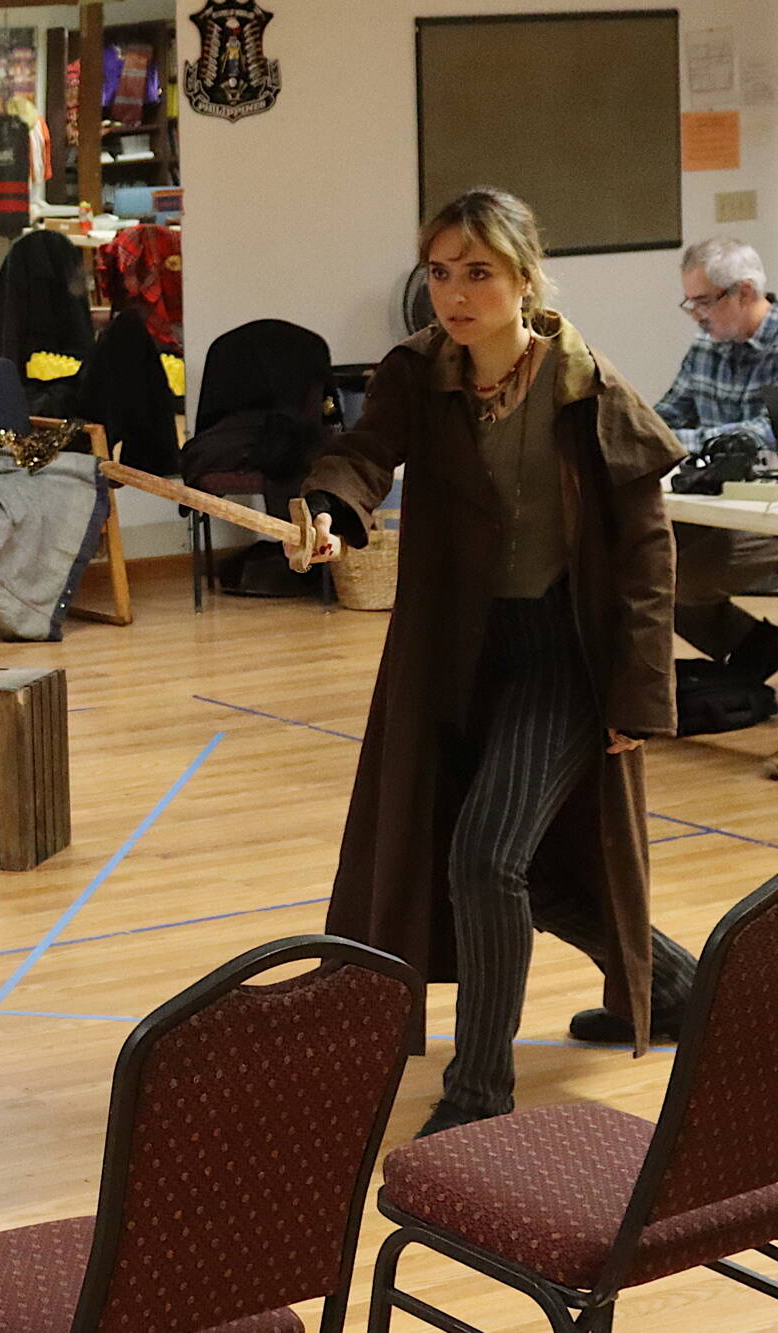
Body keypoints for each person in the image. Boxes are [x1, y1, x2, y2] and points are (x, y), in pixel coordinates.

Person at [288, 188, 699, 1139]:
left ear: (523, 276)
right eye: (440, 272)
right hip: (455, 655)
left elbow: (646, 548)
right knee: (530, 871)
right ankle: (676, 986)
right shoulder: (418, 374)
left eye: (478, 272)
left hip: (561, 655)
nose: (456, 293)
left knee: (485, 857)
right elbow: (360, 454)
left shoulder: (586, 389)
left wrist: (640, 689)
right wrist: (330, 511)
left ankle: (479, 1091)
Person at [656, 237, 778, 683]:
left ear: (744, 292)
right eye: (690, 303)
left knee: (676, 579)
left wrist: (685, 441)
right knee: (636, 559)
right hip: (712, 503)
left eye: (705, 302)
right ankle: (755, 648)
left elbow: (763, 438)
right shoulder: (706, 347)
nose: (698, 315)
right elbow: (665, 416)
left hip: (762, 511)